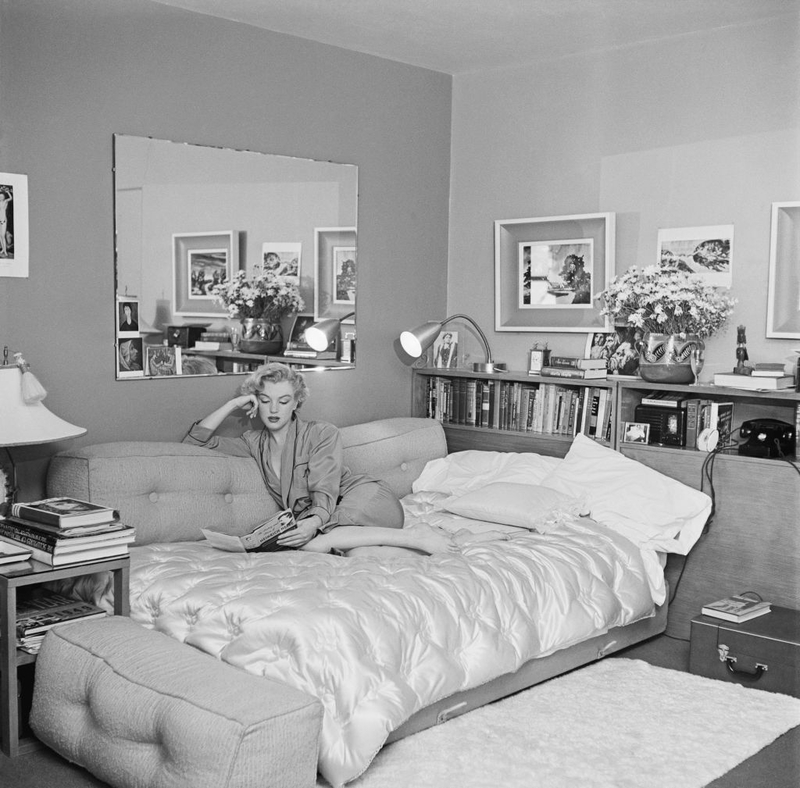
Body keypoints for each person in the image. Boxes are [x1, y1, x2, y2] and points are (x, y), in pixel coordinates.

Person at [184, 362, 493, 557]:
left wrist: (313, 524)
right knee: (363, 556)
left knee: (314, 544)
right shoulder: (254, 442)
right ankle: (449, 541)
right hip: (334, 522)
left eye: (283, 400)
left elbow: (325, 490)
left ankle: (414, 534)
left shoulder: (322, 434)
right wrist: (234, 403)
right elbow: (196, 441)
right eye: (265, 401)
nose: (274, 410)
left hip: (366, 499)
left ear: (297, 403)